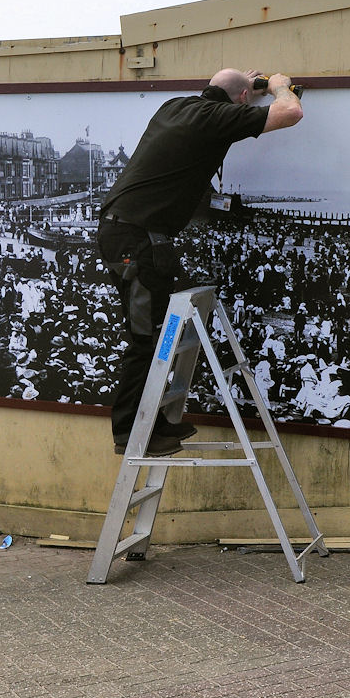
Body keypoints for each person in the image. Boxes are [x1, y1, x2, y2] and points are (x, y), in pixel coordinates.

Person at [97, 68, 303, 456]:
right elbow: (289, 113)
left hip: (134, 235)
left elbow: (226, 93)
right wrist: (278, 87)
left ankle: (156, 422)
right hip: (138, 240)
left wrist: (249, 86)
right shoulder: (216, 119)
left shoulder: (176, 107)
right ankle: (129, 433)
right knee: (146, 339)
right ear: (241, 100)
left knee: (160, 331)